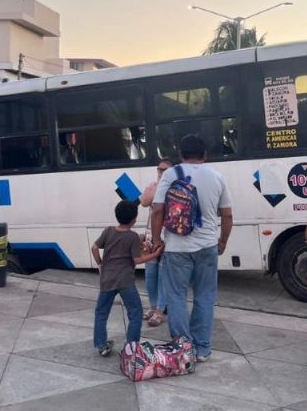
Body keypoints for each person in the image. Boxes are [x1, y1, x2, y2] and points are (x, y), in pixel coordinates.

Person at [150, 134, 232, 362]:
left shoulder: (170, 174)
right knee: (205, 296)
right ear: (205, 154)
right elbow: (227, 214)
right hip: (207, 245)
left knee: (176, 297)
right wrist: (223, 240)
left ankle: (182, 348)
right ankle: (202, 348)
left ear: (181, 154)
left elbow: (157, 209)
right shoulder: (217, 177)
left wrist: (157, 240)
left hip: (176, 246)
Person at [92, 200, 163, 357]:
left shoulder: (108, 231)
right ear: (134, 219)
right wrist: (154, 254)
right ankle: (131, 347)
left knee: (101, 312)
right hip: (125, 281)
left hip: (107, 279)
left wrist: (100, 263)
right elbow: (137, 260)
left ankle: (101, 344)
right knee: (135, 312)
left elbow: (95, 247)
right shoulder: (131, 237)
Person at [140, 158, 173, 327]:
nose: (162, 172)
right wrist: (159, 187)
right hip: (150, 236)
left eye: (166, 170)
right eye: (160, 169)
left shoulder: (175, 187)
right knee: (150, 274)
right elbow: (145, 201)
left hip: (168, 236)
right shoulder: (154, 185)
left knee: (163, 275)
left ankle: (160, 310)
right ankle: (153, 306)